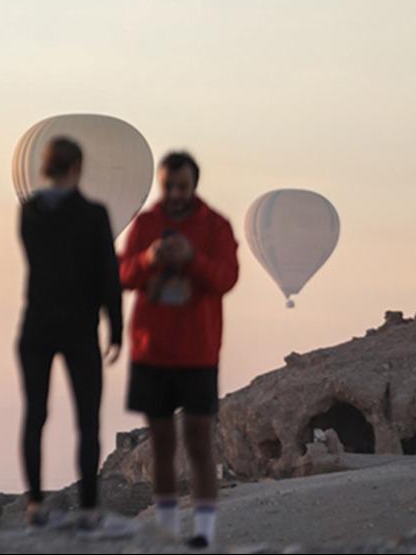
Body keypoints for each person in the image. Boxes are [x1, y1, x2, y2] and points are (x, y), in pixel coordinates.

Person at [118, 151, 239, 550]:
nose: (173, 194)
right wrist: (149, 258)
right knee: (162, 443)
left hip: (197, 352)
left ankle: (204, 531)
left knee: (200, 443)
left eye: (181, 186)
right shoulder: (147, 223)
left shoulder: (215, 226)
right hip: (151, 351)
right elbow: (121, 273)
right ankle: (168, 529)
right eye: (167, 185)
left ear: (194, 185)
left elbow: (226, 278)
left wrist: (194, 260)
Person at [17, 137, 123, 528]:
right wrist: (116, 325)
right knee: (88, 419)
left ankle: (33, 504)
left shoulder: (30, 212)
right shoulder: (93, 215)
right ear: (78, 167)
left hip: (37, 324)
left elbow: (39, 262)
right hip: (80, 326)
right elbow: (107, 275)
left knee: (35, 415)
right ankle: (90, 506)